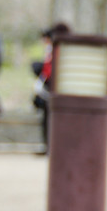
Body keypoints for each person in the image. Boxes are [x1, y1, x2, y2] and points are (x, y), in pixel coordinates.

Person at [32, 22, 70, 152]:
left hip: (54, 89)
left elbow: (48, 71)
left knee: (51, 119)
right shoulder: (56, 49)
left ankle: (51, 146)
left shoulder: (57, 50)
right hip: (55, 89)